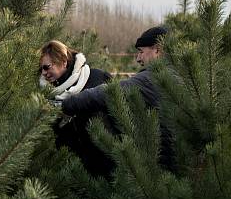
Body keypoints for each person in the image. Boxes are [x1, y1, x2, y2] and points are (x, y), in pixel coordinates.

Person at [60, 26, 175, 171]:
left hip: (156, 167)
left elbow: (108, 93)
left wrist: (65, 104)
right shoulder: (188, 76)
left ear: (157, 50)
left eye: (141, 52)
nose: (138, 58)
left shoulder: (151, 79)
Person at [39, 40, 112, 176]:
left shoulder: (97, 78)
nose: (43, 73)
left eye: (47, 67)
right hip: (73, 172)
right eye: (41, 68)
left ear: (63, 61)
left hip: (106, 163)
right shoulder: (46, 94)